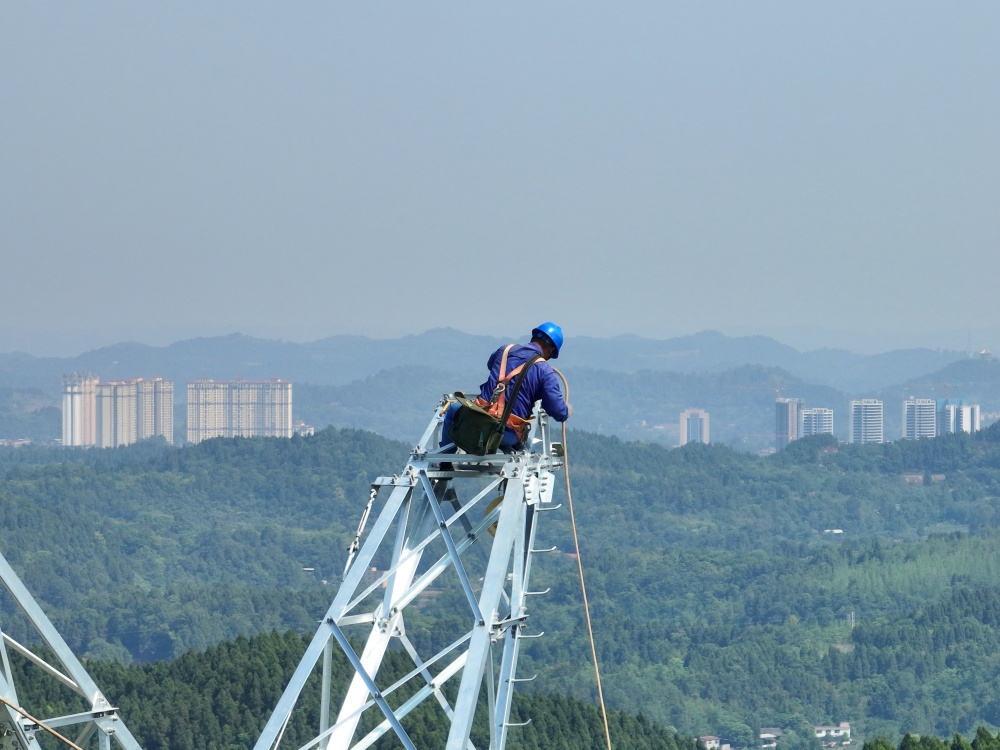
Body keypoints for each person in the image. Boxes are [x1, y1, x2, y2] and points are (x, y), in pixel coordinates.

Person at [442, 322, 571, 452]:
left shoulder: (505, 350)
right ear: (551, 350)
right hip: (505, 431)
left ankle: (445, 461)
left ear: (533, 337)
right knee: (515, 435)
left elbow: (491, 366)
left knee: (453, 409)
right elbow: (557, 411)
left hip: (477, 417)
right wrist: (567, 410)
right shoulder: (545, 370)